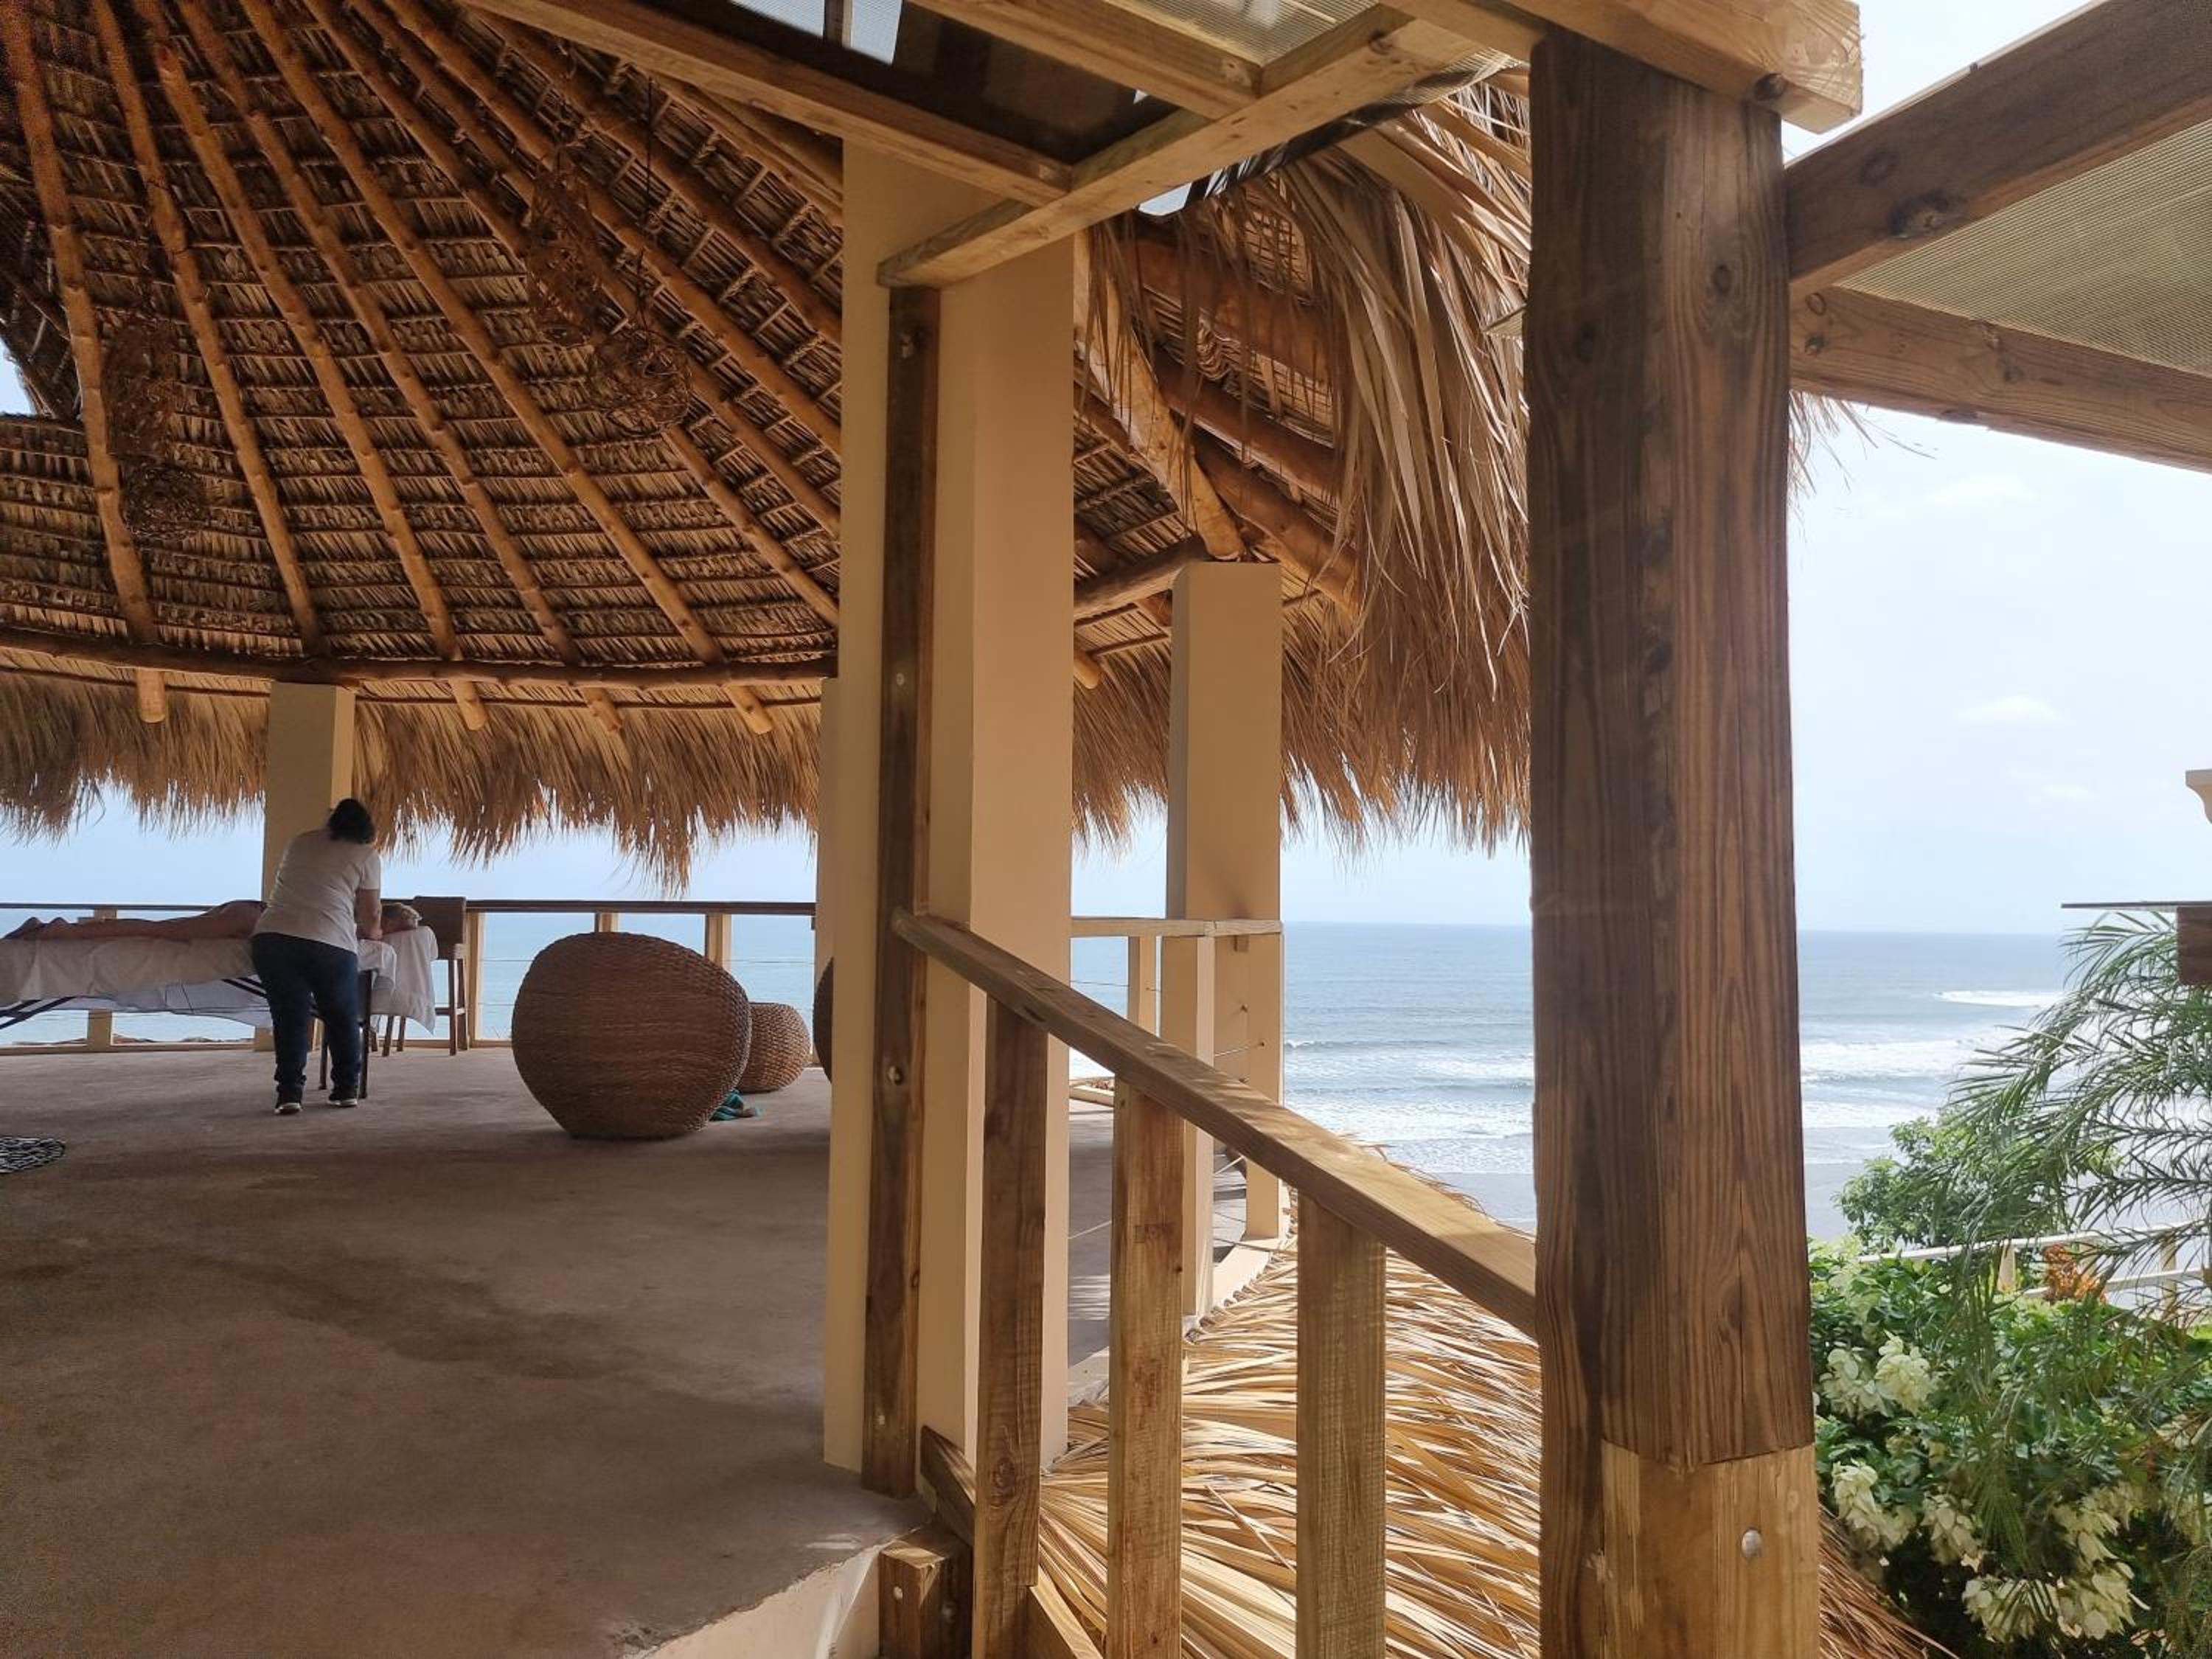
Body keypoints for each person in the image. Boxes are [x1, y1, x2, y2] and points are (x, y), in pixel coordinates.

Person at [253, 799, 383, 1116]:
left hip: (273, 938)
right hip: (330, 942)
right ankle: (345, 1089)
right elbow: (371, 914)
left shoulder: (300, 842)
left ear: (333, 821)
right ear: (366, 829)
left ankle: (289, 1094)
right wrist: (375, 932)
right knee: (341, 1015)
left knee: (290, 1018)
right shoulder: (366, 855)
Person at [7, 900, 265, 942]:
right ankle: (64, 931)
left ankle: (65, 930)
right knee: (159, 930)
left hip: (248, 910)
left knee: (161, 929)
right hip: (249, 915)